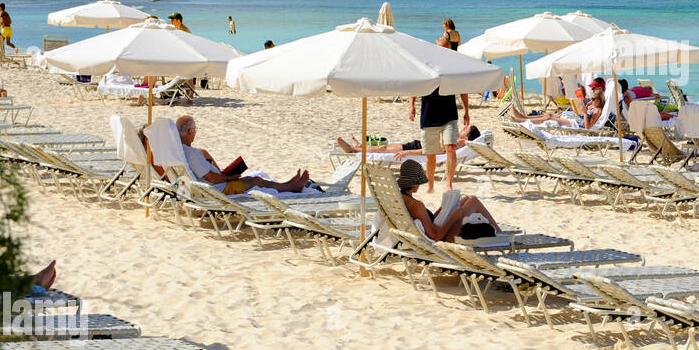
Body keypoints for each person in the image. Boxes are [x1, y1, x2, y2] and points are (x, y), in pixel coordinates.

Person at [174, 115, 310, 194]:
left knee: (254, 179)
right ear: (190, 131)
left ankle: (288, 184)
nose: (196, 132)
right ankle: (291, 187)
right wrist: (230, 178)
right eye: (195, 129)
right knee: (256, 180)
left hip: (210, 187)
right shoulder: (192, 153)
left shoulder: (179, 151)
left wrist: (225, 175)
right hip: (220, 189)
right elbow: (212, 179)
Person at [407, 36, 470, 193]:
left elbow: (463, 90)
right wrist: (412, 106)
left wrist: (467, 111)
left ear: (449, 49)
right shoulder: (425, 65)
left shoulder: (453, 67)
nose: (443, 51)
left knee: (450, 147)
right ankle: (430, 185)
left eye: (446, 48)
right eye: (440, 48)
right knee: (430, 154)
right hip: (429, 115)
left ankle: (448, 183)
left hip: (449, 115)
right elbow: (415, 85)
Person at [395, 159, 500, 242]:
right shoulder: (416, 205)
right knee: (473, 201)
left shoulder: (402, 198)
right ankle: (500, 235)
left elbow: (426, 222)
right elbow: (436, 237)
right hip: (446, 237)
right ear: (413, 183)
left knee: (465, 200)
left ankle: (500, 233)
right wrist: (453, 217)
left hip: (439, 229)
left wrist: (441, 211)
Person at [337, 125, 482, 160]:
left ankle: (353, 150)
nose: (462, 128)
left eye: (465, 129)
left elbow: (431, 151)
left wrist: (407, 152)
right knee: (383, 147)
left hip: (418, 148)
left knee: (382, 148)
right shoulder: (455, 141)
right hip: (419, 143)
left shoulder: (453, 145)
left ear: (466, 137)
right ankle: (359, 147)